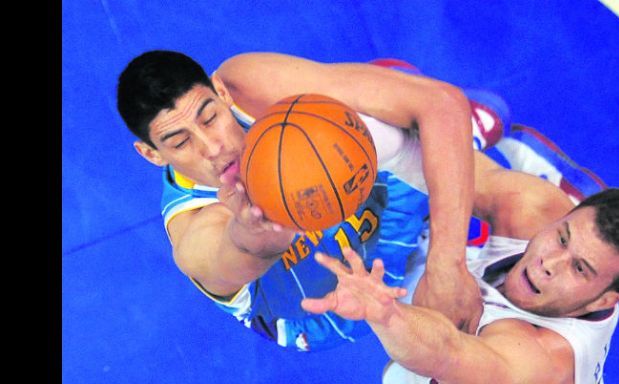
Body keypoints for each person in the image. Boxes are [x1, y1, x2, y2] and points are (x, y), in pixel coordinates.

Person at [301, 149, 619, 384]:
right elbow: (439, 137)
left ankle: (423, 247)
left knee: (405, 371)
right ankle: (428, 244)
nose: (549, 265)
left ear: (606, 299)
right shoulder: (536, 210)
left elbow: (445, 352)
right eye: (562, 237)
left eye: (580, 268)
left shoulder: (538, 362)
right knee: (446, 270)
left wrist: (384, 313)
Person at [116, 50, 509, 351]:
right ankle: (461, 155)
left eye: (210, 118)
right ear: (152, 154)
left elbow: (438, 102)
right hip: (327, 306)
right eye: (180, 142)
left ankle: (467, 159)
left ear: (220, 92)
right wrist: (252, 235)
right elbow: (224, 255)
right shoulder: (193, 228)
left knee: (391, 88)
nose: (214, 148)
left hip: (370, 212)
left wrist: (447, 264)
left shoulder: (246, 85)